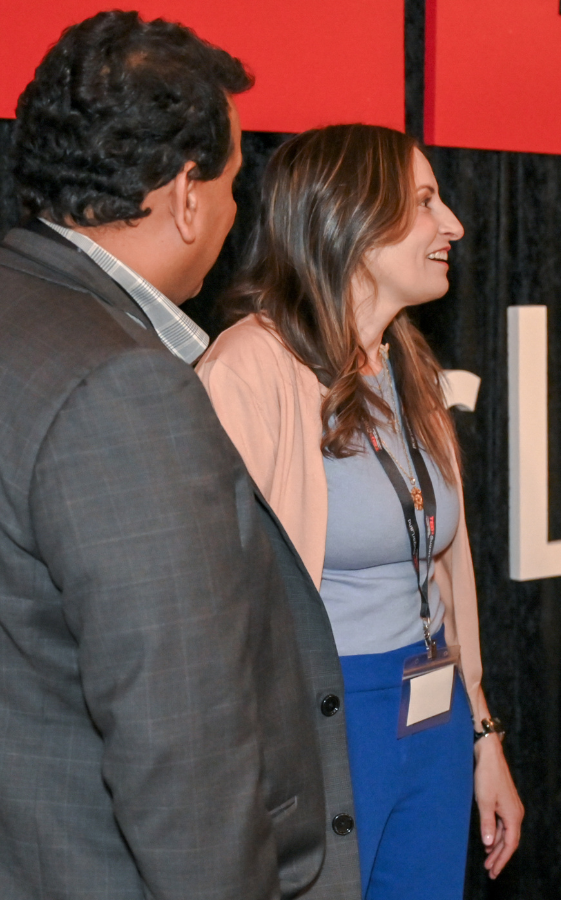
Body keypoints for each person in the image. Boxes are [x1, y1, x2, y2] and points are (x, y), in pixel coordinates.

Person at [0, 12, 360, 899]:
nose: (237, 212)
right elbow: (182, 746)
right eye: (236, 182)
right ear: (189, 192)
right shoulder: (126, 390)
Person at [196, 124, 523, 899]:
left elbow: (444, 569)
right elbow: (211, 605)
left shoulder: (406, 361)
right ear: (349, 221)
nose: (454, 225)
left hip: (434, 718)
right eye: (423, 203)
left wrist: (483, 736)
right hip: (321, 722)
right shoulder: (248, 369)